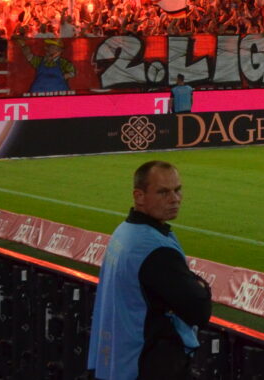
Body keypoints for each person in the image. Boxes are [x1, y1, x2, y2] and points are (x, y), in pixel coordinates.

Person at [88, 160, 212, 379]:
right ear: (139, 196)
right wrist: (202, 286)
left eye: (177, 190)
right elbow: (198, 309)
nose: (174, 199)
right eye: (163, 192)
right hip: (144, 363)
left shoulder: (123, 232)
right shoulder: (154, 248)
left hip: (116, 360)